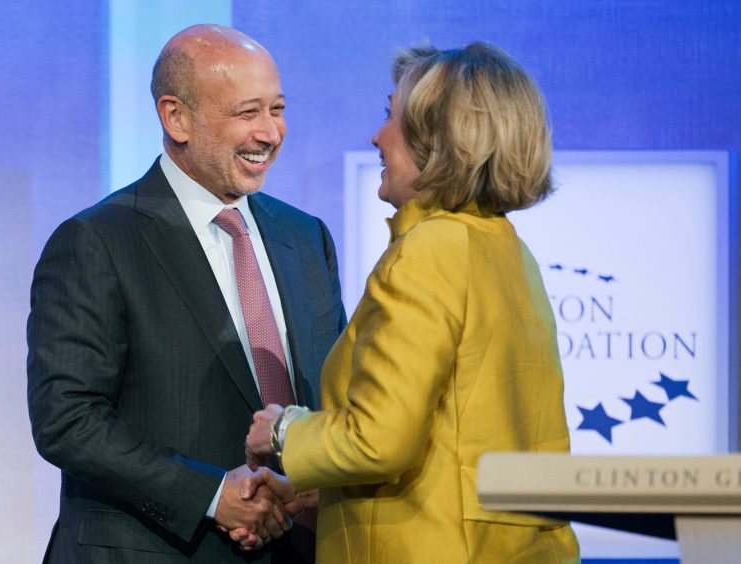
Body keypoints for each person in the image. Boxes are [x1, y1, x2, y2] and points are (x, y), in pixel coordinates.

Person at [244, 42, 580, 562]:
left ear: (440, 142)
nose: (378, 136)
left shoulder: (429, 251)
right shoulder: (507, 249)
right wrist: (327, 490)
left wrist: (284, 430)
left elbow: (381, 439)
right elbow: (456, 441)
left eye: (391, 117)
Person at [27, 24, 345, 563]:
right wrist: (211, 496)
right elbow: (67, 418)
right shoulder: (97, 240)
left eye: (278, 108)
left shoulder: (305, 236)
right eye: (248, 113)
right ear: (176, 117)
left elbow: (337, 397)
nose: (270, 133)